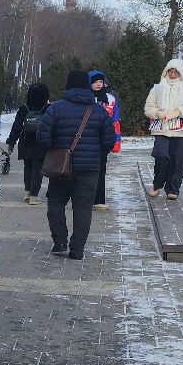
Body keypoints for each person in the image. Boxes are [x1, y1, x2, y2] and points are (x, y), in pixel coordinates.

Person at [36, 70, 115, 259]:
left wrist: (54, 150)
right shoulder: (98, 111)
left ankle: (60, 242)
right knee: (83, 208)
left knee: (55, 202)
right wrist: (96, 153)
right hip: (89, 169)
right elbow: (109, 140)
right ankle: (78, 249)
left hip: (61, 167)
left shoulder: (55, 109)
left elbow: (42, 136)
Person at [144, 58, 183, 200]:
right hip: (162, 128)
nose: (173, 74)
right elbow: (148, 108)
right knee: (161, 156)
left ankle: (173, 188)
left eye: (176, 72)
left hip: (182, 130)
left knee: (179, 160)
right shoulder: (157, 88)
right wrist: (158, 113)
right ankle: (157, 184)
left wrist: (178, 112)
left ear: (181, 73)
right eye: (170, 71)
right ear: (166, 71)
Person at [6, 83, 51, 204]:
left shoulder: (23, 108)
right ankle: (34, 196)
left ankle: (27, 193)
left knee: (28, 167)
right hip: (41, 143)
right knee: (38, 169)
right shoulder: (48, 109)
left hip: (26, 141)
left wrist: (11, 142)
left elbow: (17, 127)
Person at [88, 70, 122, 210]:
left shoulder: (110, 99)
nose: (98, 84)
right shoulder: (84, 97)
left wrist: (116, 142)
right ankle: (83, 197)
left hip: (103, 140)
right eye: (95, 82)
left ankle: (99, 199)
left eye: (100, 82)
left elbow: (115, 121)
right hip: (86, 138)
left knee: (101, 169)